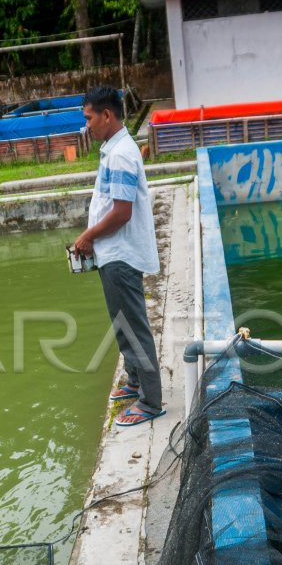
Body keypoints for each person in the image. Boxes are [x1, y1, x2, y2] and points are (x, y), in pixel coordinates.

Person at [71, 86, 165, 428]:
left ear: (107, 115)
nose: (87, 126)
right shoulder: (113, 151)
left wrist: (88, 235)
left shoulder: (122, 154)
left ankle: (150, 401)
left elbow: (122, 212)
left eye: (89, 118)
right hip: (112, 253)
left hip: (121, 255)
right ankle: (135, 381)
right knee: (121, 322)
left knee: (134, 326)